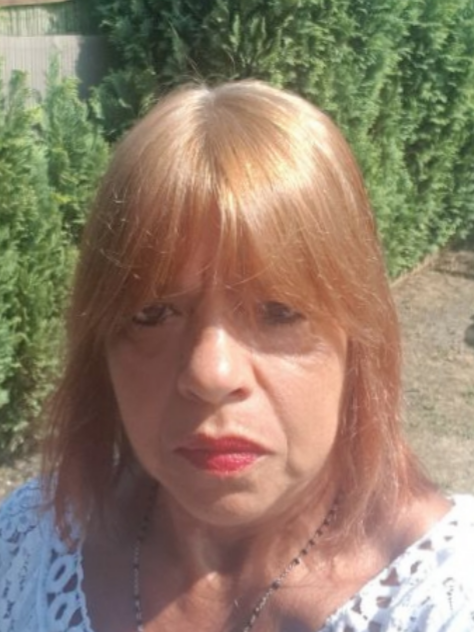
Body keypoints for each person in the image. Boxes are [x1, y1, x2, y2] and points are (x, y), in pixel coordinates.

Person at [1, 80, 473, 632]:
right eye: (152, 313)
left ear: (358, 338)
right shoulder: (32, 542)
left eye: (279, 311)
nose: (210, 372)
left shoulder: (443, 602)